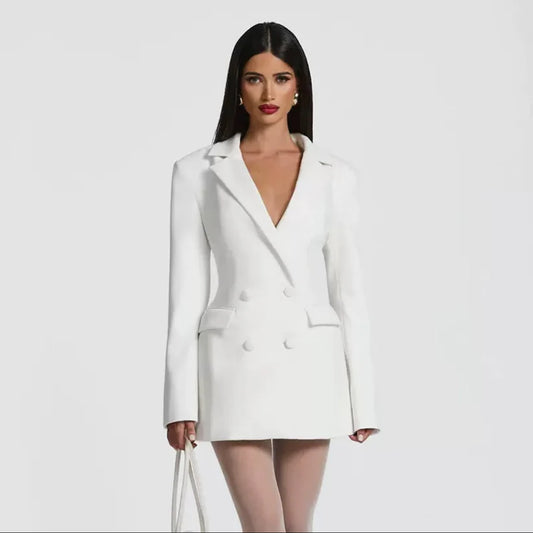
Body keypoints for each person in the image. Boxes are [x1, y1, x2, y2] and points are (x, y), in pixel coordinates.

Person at [163, 21, 381, 533]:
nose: (268, 93)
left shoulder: (334, 175)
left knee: (297, 526)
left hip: (310, 365)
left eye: (281, 78)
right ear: (237, 87)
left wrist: (363, 400)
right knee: (264, 526)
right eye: (254, 79)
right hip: (231, 369)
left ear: (298, 86)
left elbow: (349, 293)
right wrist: (178, 400)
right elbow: (185, 296)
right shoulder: (197, 172)